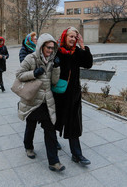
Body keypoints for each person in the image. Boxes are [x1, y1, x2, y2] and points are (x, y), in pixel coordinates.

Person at [17, 33, 64, 172]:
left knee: (50, 130)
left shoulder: (52, 60)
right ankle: (28, 147)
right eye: (48, 47)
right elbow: (19, 75)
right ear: (41, 46)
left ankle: (54, 162)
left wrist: (56, 68)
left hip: (46, 101)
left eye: (52, 48)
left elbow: (54, 82)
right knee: (31, 125)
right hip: (32, 100)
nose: (50, 50)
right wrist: (33, 73)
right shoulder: (30, 58)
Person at [53, 26, 93, 166]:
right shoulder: (56, 51)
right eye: (70, 36)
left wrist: (82, 46)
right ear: (65, 37)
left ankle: (77, 154)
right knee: (54, 121)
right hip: (58, 94)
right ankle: (53, 142)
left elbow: (88, 64)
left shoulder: (77, 52)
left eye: (75, 37)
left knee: (73, 123)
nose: (72, 39)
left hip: (73, 95)